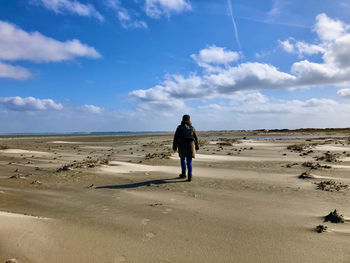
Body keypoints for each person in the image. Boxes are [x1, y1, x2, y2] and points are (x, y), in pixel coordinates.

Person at [172, 114, 199, 182]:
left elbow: (176, 137)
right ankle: (190, 176)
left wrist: (174, 147)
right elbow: (196, 137)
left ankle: (183, 173)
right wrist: (197, 146)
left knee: (182, 159)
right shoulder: (192, 127)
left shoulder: (180, 127)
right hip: (190, 145)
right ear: (189, 119)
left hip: (182, 145)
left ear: (183, 119)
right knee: (189, 161)